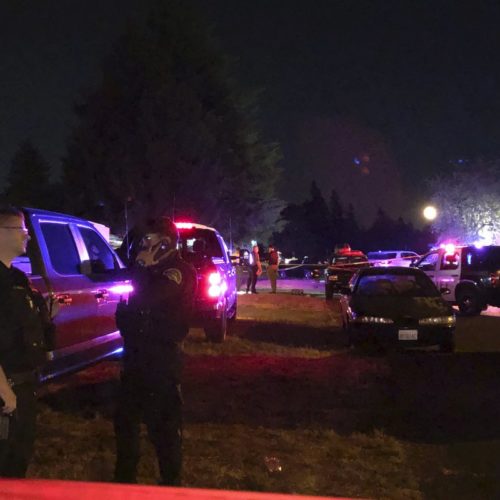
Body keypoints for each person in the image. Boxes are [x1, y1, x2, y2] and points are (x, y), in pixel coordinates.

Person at [114, 216, 197, 486]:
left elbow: (147, 297)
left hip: (162, 361)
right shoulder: (145, 271)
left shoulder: (178, 271)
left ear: (165, 244)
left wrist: (140, 269)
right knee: (126, 426)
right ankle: (124, 482)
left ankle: (171, 484)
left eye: (148, 241)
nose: (142, 246)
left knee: (164, 430)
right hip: (135, 357)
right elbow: (126, 307)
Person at [0, 206, 54, 477]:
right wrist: (3, 389)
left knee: (19, 459)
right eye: (22, 230)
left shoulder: (17, 278)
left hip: (24, 384)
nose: (28, 237)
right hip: (4, 388)